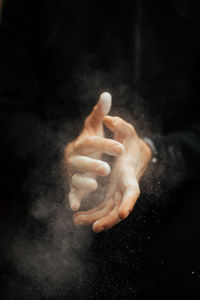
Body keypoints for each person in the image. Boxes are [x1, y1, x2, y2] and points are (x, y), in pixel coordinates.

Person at [0, 0, 200, 298]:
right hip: (47, 252)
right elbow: (7, 107)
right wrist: (61, 155)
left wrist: (155, 152)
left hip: (180, 251)